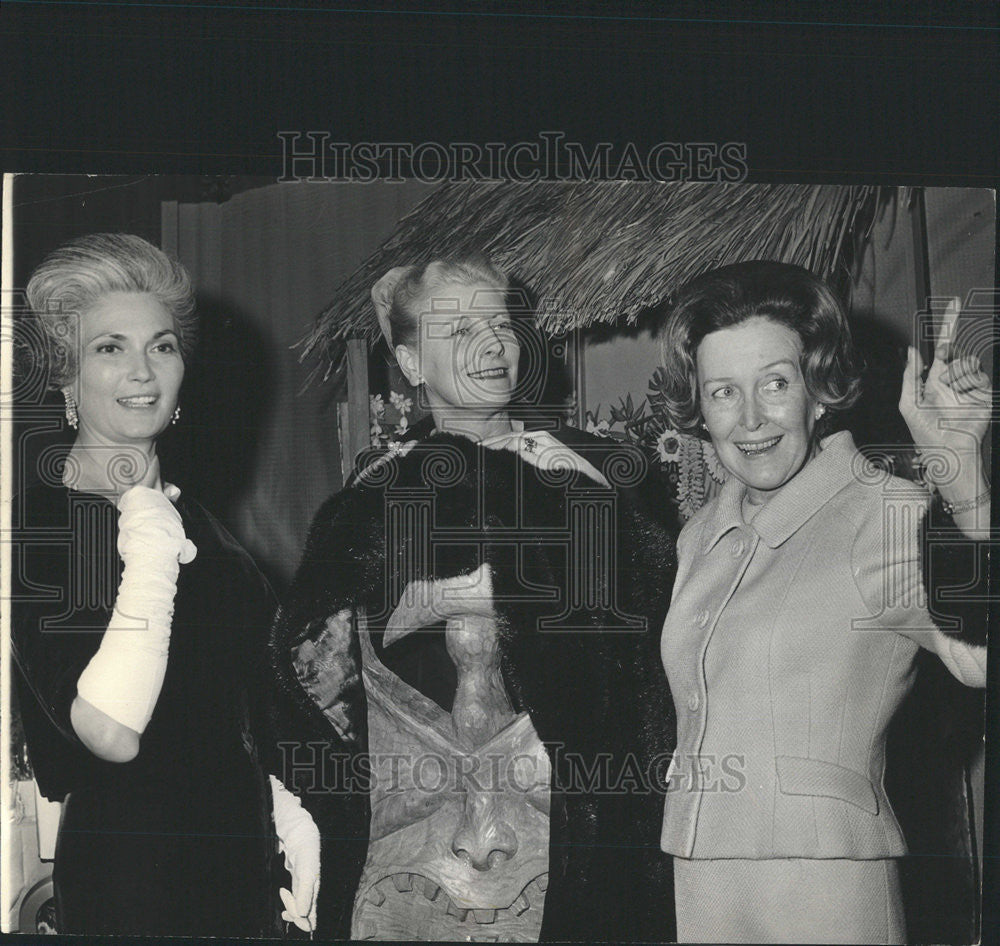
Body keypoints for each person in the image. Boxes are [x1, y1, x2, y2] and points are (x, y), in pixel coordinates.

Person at [270, 256, 677, 942]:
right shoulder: (373, 501)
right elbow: (306, 671)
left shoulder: (590, 476)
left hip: (577, 840)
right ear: (409, 361)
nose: (491, 345)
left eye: (499, 324)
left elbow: (655, 660)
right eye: (458, 330)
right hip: (422, 854)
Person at [655, 260, 990, 943]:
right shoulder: (699, 537)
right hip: (702, 878)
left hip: (825, 881)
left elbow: (981, 662)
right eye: (723, 392)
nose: (751, 419)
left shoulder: (884, 512)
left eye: (776, 384)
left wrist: (964, 481)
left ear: (818, 391)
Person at [10, 233, 317, 937]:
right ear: (65, 376)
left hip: (241, 866)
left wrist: (289, 812)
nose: (142, 370)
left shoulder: (197, 518)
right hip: (135, 879)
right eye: (108, 347)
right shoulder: (46, 519)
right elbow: (110, 731)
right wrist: (147, 538)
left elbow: (227, 703)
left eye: (163, 346)